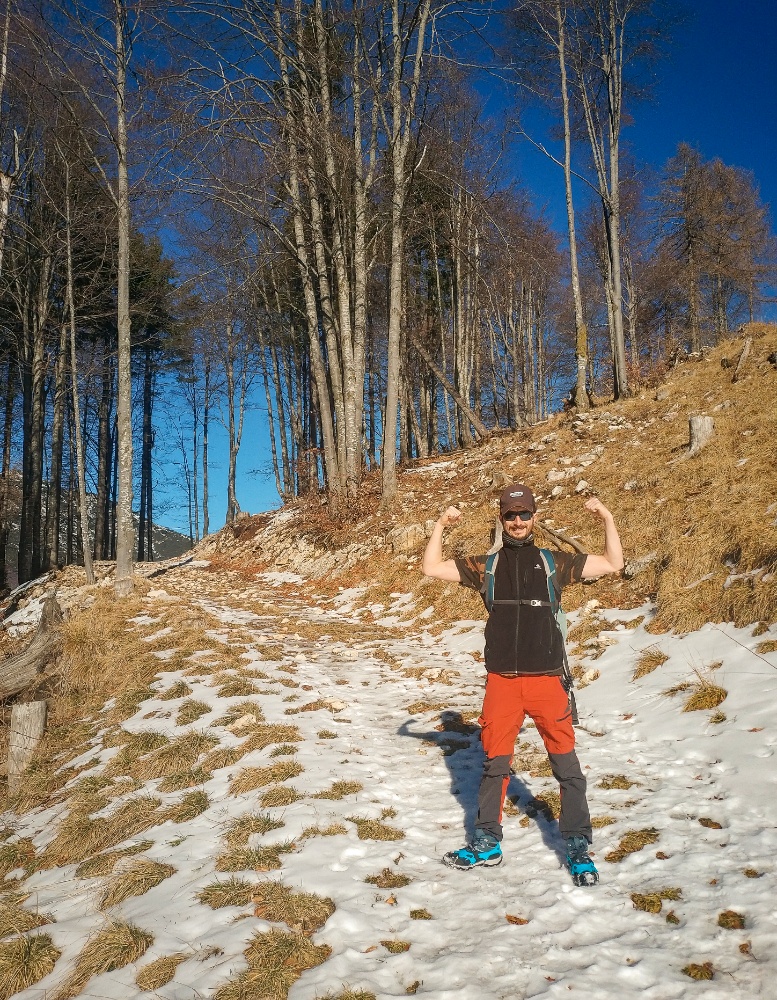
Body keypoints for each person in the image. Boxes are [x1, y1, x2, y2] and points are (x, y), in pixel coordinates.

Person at [421, 483, 624, 878]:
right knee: (494, 764)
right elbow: (430, 568)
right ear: (502, 519)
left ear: (534, 517)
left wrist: (607, 518)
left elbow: (613, 563)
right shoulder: (488, 567)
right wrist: (440, 525)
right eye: (510, 515)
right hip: (503, 683)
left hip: (547, 681)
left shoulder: (553, 563)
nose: (517, 521)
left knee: (566, 765)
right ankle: (486, 842)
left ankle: (578, 844)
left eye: (524, 514)